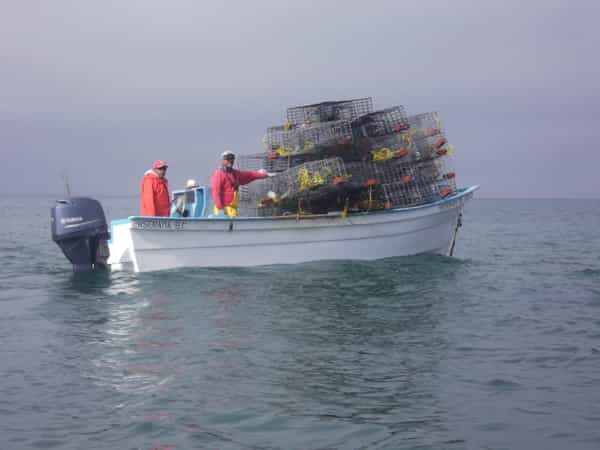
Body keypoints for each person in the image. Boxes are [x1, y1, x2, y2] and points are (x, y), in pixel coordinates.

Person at [210, 150, 271, 218]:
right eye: (228, 159)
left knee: (233, 225)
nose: (230, 161)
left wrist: (263, 175)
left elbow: (250, 175)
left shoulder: (235, 174)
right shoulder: (218, 174)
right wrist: (220, 208)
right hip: (222, 209)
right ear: (223, 161)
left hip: (232, 210)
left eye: (232, 159)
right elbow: (216, 192)